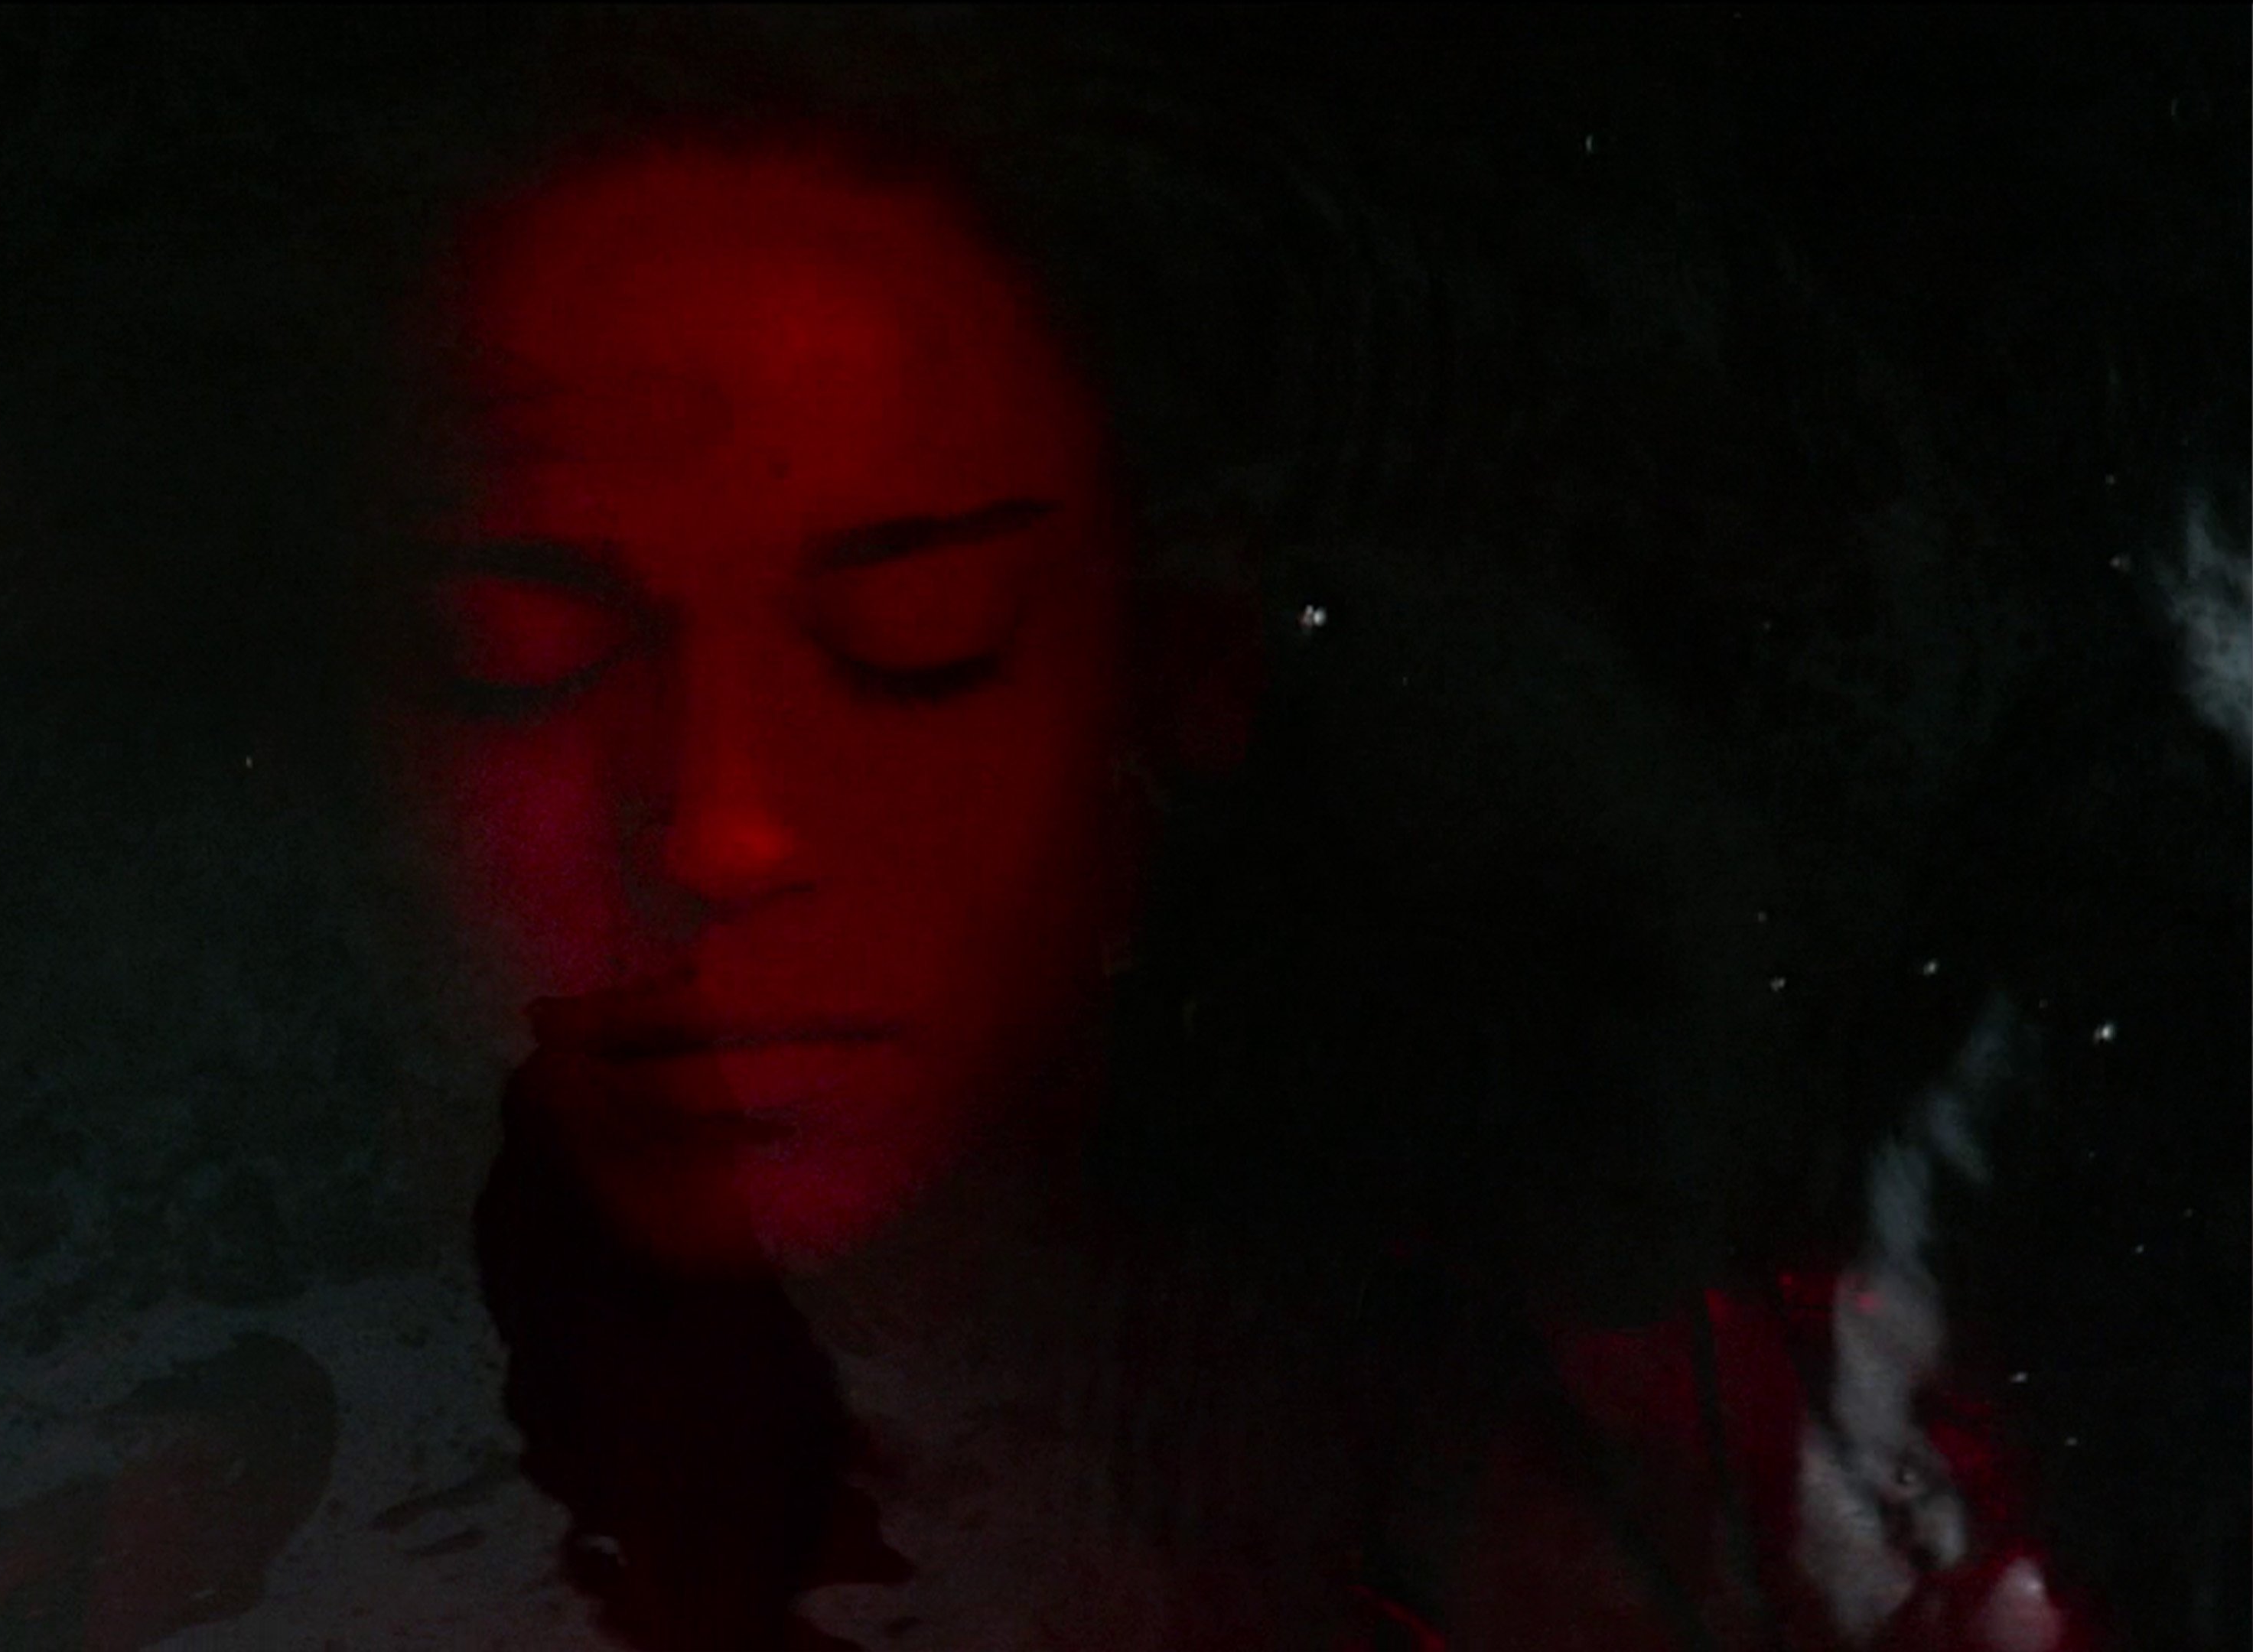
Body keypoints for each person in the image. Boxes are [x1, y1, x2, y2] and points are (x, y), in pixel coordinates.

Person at [362, 81, 2107, 1652]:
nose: (717, 828)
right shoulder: (274, 1475)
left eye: (918, 634)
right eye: (526, 651)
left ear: (1174, 670)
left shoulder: (1718, 1478)